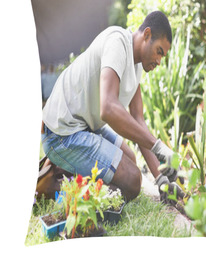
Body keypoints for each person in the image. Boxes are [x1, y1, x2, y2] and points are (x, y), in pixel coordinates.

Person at [41, 11, 184, 203]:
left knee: (130, 159)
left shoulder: (137, 65)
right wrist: (158, 146)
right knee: (132, 181)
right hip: (61, 133)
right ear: (147, 34)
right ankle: (53, 187)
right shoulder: (117, 43)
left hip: (84, 127)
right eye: (159, 51)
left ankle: (64, 168)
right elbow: (107, 108)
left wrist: (161, 180)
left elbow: (138, 120)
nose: (159, 61)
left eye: (163, 56)